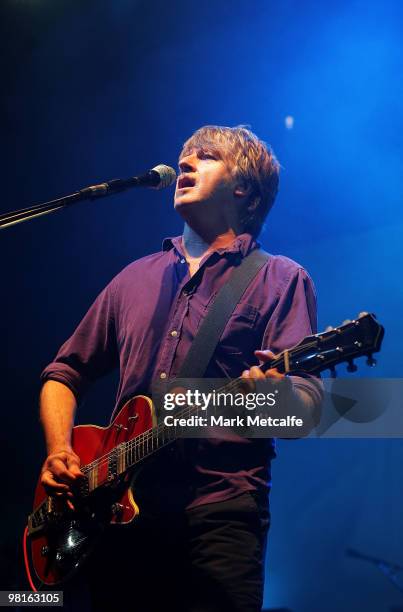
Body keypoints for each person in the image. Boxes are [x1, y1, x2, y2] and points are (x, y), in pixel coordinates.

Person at [39, 125, 322, 611]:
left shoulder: (281, 279)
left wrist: (274, 400)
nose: (186, 163)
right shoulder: (135, 277)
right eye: (184, 156)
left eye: (206, 157)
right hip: (117, 516)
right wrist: (59, 450)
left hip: (219, 514)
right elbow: (63, 373)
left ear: (244, 191)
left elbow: (306, 411)